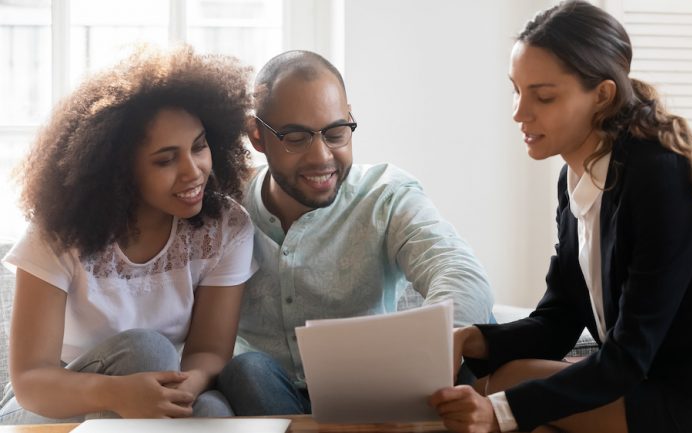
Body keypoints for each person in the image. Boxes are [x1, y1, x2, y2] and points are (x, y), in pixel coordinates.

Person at [429, 1, 692, 433]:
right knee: (503, 381)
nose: (519, 112)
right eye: (516, 89)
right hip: (654, 378)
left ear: (603, 95)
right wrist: (469, 338)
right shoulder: (574, 179)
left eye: (543, 95)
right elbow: (557, 320)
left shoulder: (660, 177)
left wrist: (501, 413)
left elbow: (629, 352)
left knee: (505, 406)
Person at [217, 50, 495, 416]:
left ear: (350, 119)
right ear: (257, 136)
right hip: (266, 394)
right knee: (247, 369)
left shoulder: (386, 195)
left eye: (335, 133)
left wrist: (432, 349)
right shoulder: (223, 209)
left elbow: (460, 272)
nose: (321, 157)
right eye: (297, 138)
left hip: (373, 393)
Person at [0, 45, 257, 424]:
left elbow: (208, 352)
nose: (194, 171)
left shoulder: (225, 226)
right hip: (49, 408)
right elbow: (31, 382)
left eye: (199, 146)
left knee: (213, 411)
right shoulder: (59, 233)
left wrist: (181, 390)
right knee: (147, 350)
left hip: (155, 390)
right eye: (166, 159)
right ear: (118, 170)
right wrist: (121, 394)